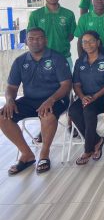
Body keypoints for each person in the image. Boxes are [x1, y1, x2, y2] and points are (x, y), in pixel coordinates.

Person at [0, 28, 72, 174]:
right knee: (2, 117)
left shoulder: (57, 58)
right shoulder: (20, 61)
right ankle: (27, 155)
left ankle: (44, 155)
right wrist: (9, 100)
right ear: (26, 41)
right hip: (30, 100)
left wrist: (51, 100)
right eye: (31, 39)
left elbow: (66, 85)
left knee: (47, 115)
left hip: (56, 99)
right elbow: (12, 87)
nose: (35, 41)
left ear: (45, 40)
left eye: (39, 38)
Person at [69, 31, 104, 165]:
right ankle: (97, 140)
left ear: (98, 42)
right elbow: (76, 84)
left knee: (89, 111)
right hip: (85, 97)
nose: (87, 44)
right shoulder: (79, 61)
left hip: (103, 97)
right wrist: (82, 97)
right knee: (73, 111)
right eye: (84, 42)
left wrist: (95, 96)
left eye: (91, 41)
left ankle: (88, 149)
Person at [27, 0, 76, 67]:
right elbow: (30, 36)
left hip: (64, 57)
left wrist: (60, 42)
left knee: (66, 80)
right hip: (42, 58)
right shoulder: (36, 14)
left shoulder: (69, 14)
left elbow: (71, 35)